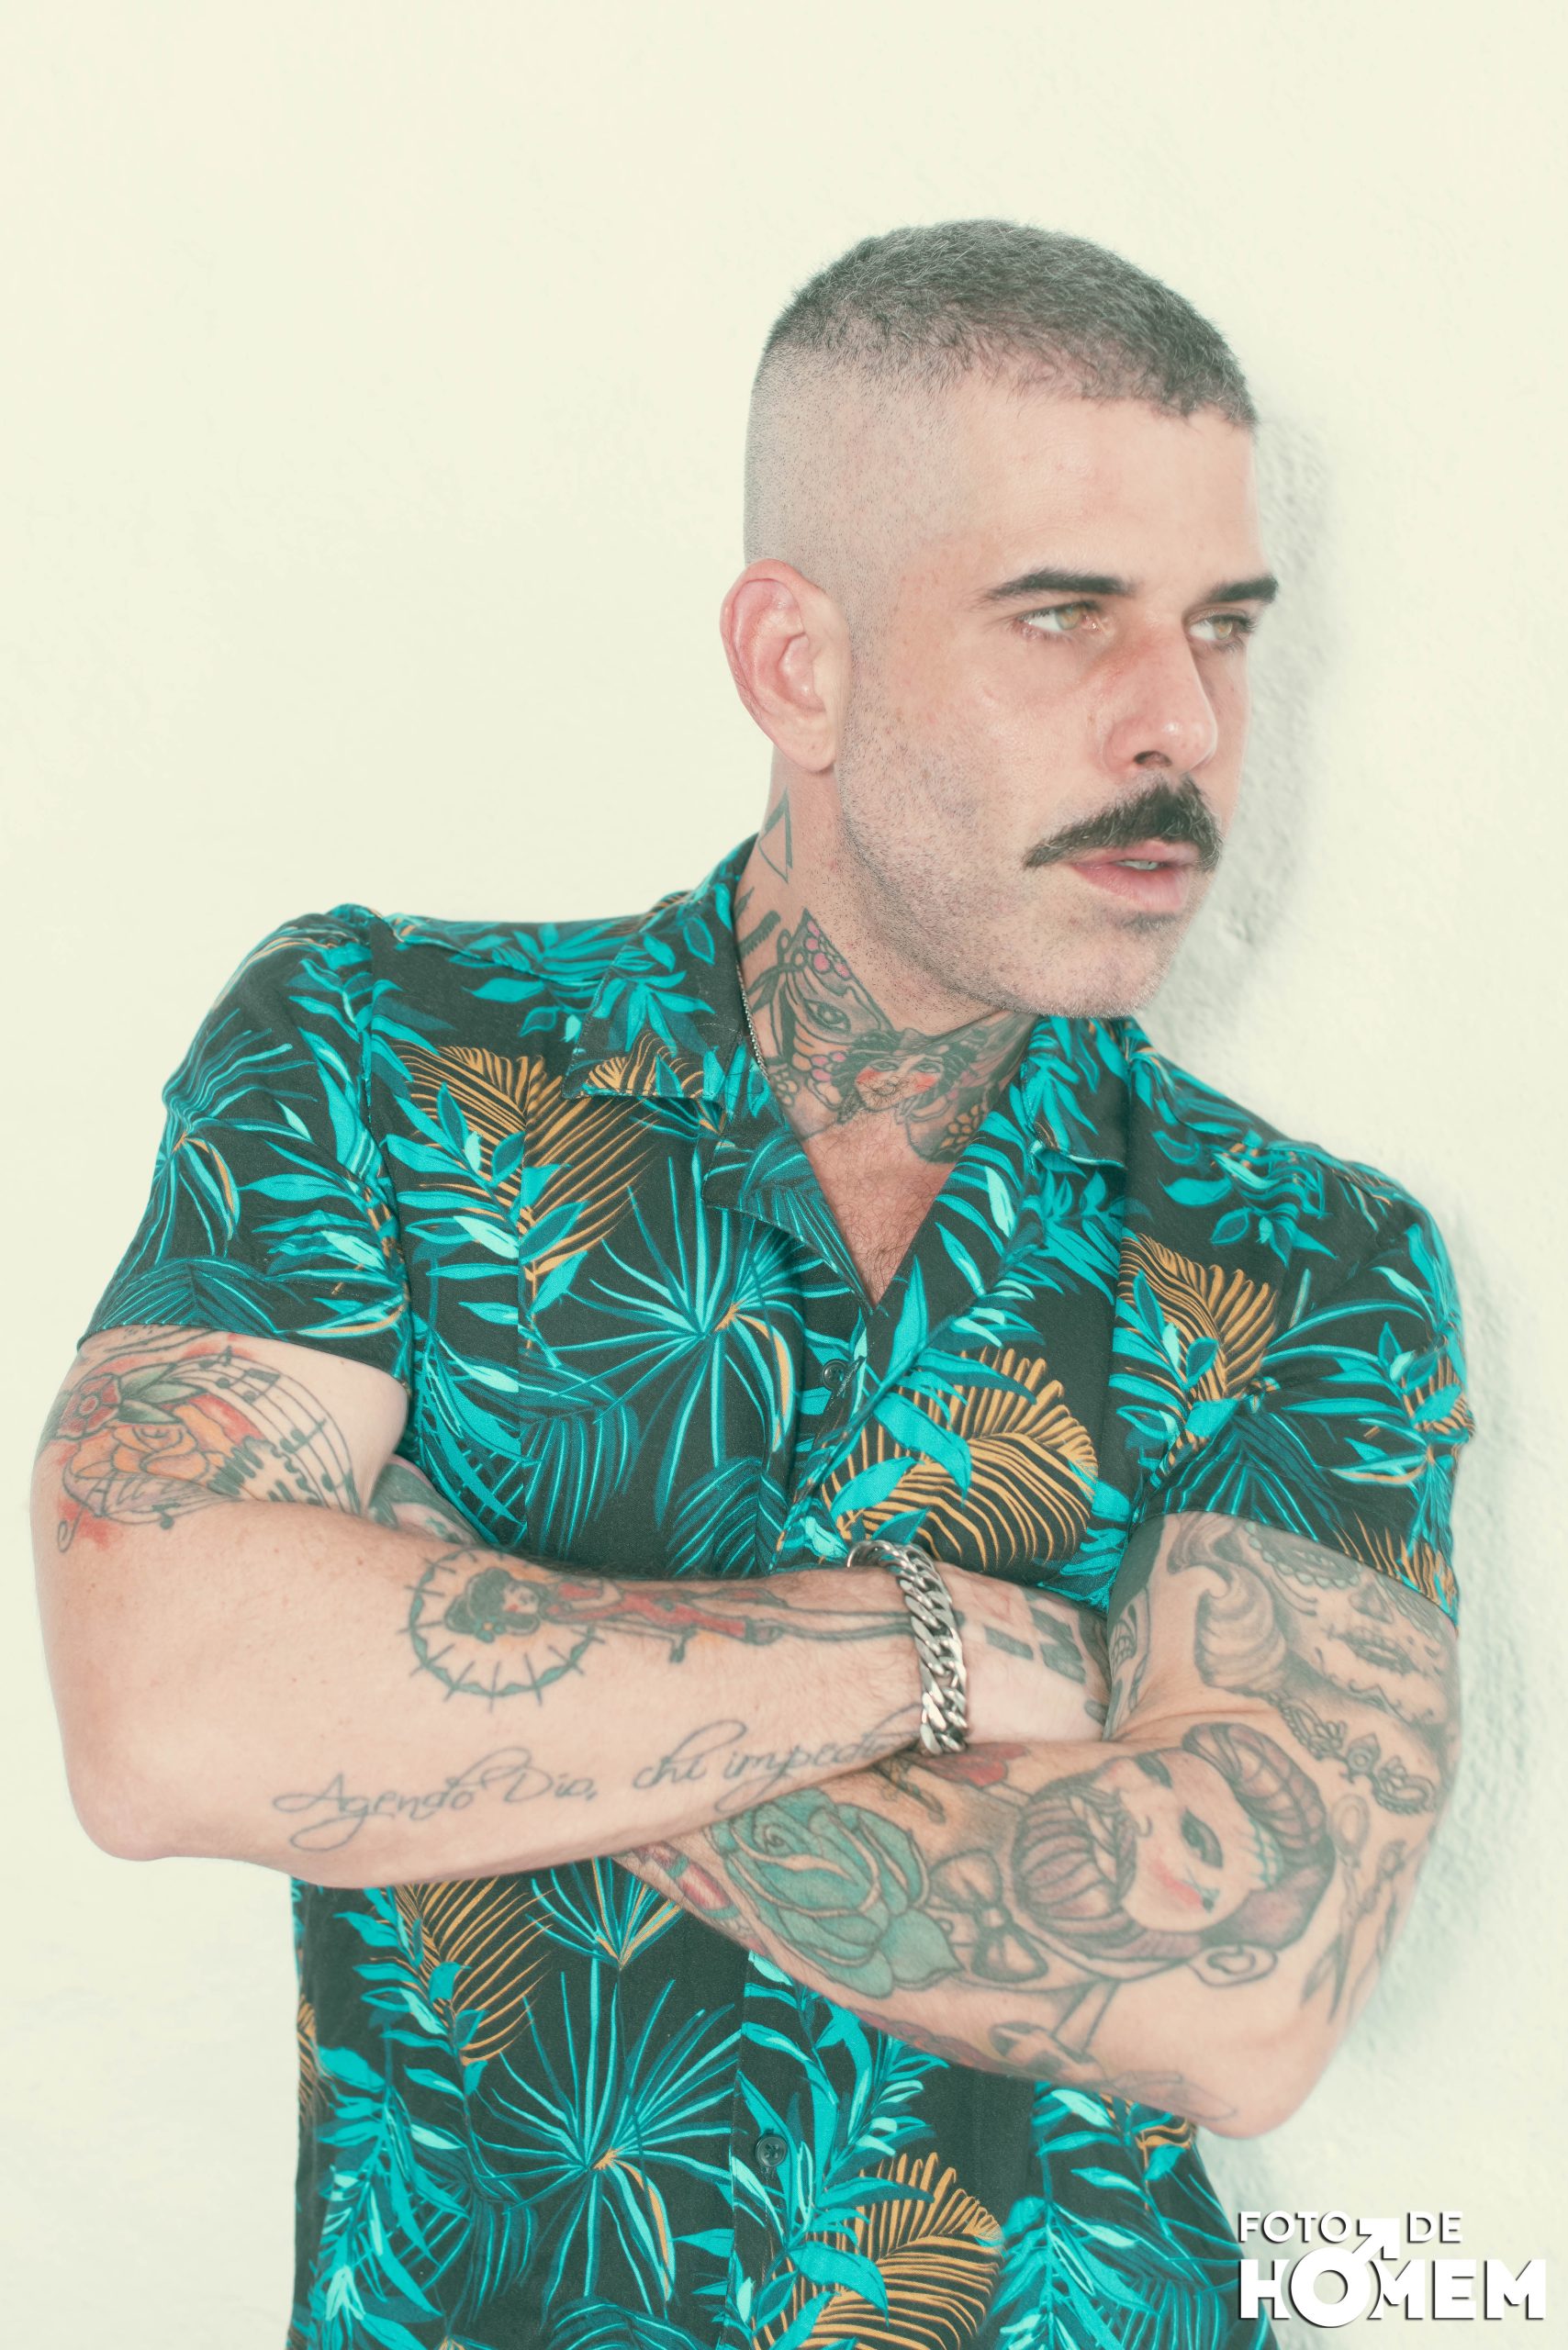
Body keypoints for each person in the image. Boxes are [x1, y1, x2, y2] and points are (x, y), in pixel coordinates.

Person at [31, 220, 1472, 2350]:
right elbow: (169, 1714)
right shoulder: (378, 1058)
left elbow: (1238, 1990)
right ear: (797, 663)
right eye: (1062, 614)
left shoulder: (1300, 1253)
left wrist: (443, 1641)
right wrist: (939, 1651)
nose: (1178, 722)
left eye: (1219, 630)